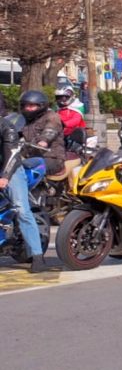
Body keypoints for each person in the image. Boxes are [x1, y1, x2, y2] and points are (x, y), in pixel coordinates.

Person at [0, 113, 47, 272]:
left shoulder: (7, 127)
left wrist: (5, 177)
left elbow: (11, 155)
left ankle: (37, 255)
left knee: (21, 210)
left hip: (11, 170)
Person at [17, 91, 66, 178]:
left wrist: (44, 140)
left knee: (27, 172)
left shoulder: (52, 116)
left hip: (52, 158)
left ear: (41, 106)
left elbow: (51, 130)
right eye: (26, 105)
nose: (28, 108)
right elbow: (14, 130)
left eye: (31, 106)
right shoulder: (26, 119)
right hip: (31, 156)